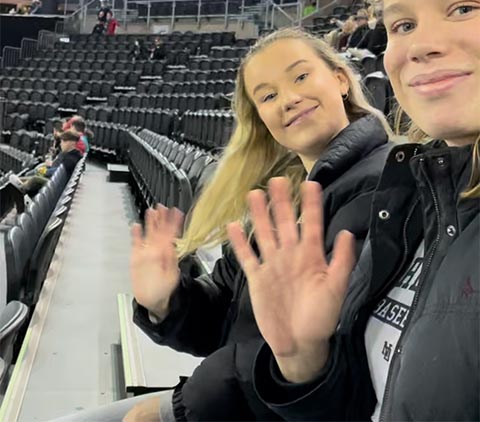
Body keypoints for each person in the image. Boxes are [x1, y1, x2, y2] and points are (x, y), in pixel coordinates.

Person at [225, 0, 480, 422]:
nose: (420, 44)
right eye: (403, 24)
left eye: (463, 7)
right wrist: (301, 360)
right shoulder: (416, 198)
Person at [54, 28, 393, 422]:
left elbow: (324, 366)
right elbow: (225, 320)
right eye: (268, 96)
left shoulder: (381, 187)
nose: (289, 99)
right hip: (232, 399)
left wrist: (182, 409)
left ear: (339, 78)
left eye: (300, 76)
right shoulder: (283, 194)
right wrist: (167, 302)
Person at [8, 130, 83, 207]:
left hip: (55, 183)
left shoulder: (71, 158)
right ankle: (22, 189)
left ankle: (23, 190)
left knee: (34, 179)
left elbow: (58, 172)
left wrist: (45, 171)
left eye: (63, 141)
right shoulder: (67, 153)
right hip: (51, 178)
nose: (60, 144)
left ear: (72, 143)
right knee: (17, 180)